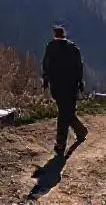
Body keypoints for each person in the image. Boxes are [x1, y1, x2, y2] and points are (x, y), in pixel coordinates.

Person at [41, 25, 88, 156]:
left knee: (64, 113)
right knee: (67, 113)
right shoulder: (73, 48)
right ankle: (80, 131)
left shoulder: (50, 47)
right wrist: (80, 82)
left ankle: (61, 144)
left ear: (55, 35)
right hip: (71, 85)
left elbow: (46, 65)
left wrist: (45, 80)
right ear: (64, 34)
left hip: (57, 86)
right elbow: (79, 66)